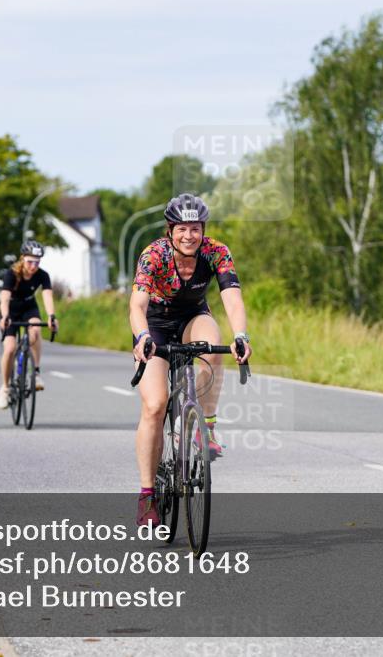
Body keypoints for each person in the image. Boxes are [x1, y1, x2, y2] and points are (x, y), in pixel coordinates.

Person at [129, 193, 252, 526]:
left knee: (214, 348)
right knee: (155, 404)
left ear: (203, 229)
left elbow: (233, 299)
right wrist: (142, 338)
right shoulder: (153, 254)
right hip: (155, 323)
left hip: (193, 316)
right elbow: (137, 305)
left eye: (195, 229)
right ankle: (147, 495)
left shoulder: (216, 252)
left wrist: (240, 335)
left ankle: (206, 427)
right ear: (170, 229)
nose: (189, 236)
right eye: (182, 228)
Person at [0, 240, 58, 409]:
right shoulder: (11, 274)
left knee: (36, 329)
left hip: (29, 306)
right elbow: (5, 298)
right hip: (11, 309)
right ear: (22, 259)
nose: (33, 266)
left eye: (37, 262)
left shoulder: (42, 275)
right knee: (9, 348)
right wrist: (5, 316)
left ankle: (35, 372)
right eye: (30, 262)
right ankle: (5, 388)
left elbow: (47, 297)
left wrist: (52, 316)